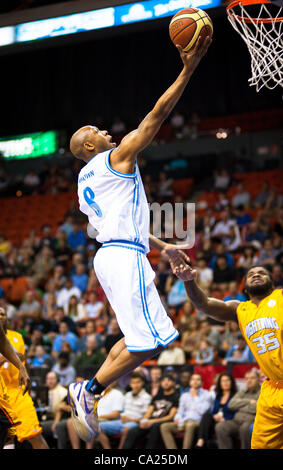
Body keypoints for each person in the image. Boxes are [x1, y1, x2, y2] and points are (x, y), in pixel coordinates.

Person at [67, 35, 211, 442]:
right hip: (123, 257)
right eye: (96, 130)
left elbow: (107, 224)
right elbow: (156, 115)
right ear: (90, 145)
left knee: (140, 339)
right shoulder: (115, 158)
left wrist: (163, 246)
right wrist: (189, 67)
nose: (105, 131)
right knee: (149, 345)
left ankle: (91, 389)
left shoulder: (83, 180)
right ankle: (90, 389)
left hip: (111, 254)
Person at [167, 256, 283, 450]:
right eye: (251, 274)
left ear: (272, 283)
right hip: (271, 388)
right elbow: (203, 304)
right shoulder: (240, 309)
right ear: (244, 287)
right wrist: (189, 281)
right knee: (261, 445)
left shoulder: (280, 297)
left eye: (262, 273)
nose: (256, 275)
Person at [0, 307, 31, 449]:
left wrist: (21, 367)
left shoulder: (17, 337)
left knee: (5, 431)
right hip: (6, 390)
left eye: (3, 314)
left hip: (12, 391)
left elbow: (1, 340)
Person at [122, 374, 180, 449]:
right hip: (151, 421)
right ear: (160, 383)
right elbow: (149, 411)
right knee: (132, 431)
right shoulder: (157, 396)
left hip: (163, 422)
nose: (166, 383)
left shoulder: (176, 397)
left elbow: (171, 416)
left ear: (173, 383)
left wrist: (152, 421)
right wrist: (144, 420)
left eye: (169, 380)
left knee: (154, 427)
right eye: (163, 381)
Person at [98, 373, 152, 449]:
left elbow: (145, 418)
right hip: (120, 421)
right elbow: (120, 412)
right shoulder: (127, 395)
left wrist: (130, 420)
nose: (135, 385)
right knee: (97, 427)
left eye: (138, 382)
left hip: (134, 422)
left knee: (126, 429)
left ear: (142, 383)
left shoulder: (147, 397)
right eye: (133, 382)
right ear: (130, 384)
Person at [160, 373, 213, 449]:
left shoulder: (207, 395)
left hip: (197, 422)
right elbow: (180, 411)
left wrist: (195, 397)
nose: (195, 382)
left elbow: (203, 411)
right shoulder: (184, 395)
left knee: (190, 425)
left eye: (198, 380)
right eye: (193, 379)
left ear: (202, 382)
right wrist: (177, 418)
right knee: (164, 426)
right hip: (184, 421)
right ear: (190, 382)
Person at [215, 368, 261, 449]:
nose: (249, 380)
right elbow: (231, 404)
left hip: (251, 421)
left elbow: (257, 408)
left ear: (258, 379)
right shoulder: (242, 391)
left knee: (244, 429)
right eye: (247, 378)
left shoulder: (262, 391)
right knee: (220, 427)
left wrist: (240, 406)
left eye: (252, 378)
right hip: (236, 421)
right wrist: (249, 401)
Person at [194, 372, 237, 448]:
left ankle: (200, 445)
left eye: (227, 380)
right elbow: (214, 411)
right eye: (223, 381)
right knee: (207, 416)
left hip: (228, 422)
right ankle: (200, 442)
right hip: (216, 421)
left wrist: (225, 418)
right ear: (220, 383)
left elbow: (236, 412)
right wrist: (215, 416)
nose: (225, 383)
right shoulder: (218, 396)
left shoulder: (236, 395)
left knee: (210, 426)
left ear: (231, 382)